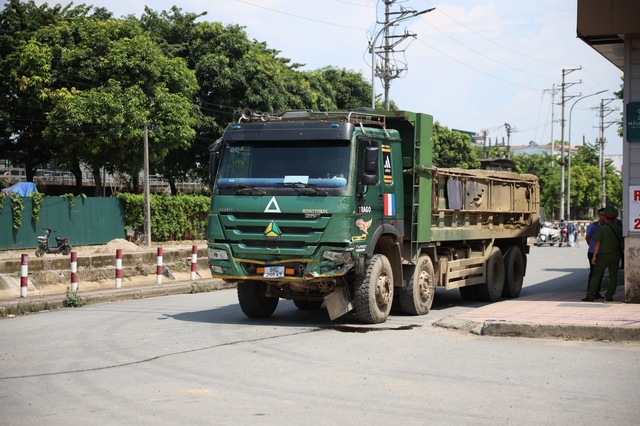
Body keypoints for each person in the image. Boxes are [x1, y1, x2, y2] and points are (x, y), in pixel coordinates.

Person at [583, 206, 623, 302]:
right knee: (613, 276)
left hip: (604, 256)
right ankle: (609, 296)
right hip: (616, 255)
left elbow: (597, 243)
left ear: (605, 217)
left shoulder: (603, 228)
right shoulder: (619, 228)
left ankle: (591, 295)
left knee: (596, 275)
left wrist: (594, 256)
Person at [584, 208, 605, 299]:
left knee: (601, 273)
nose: (603, 217)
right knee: (593, 273)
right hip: (593, 252)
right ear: (598, 215)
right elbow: (588, 237)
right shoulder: (594, 226)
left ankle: (597, 292)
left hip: (603, 253)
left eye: (604, 215)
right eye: (601, 215)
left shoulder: (608, 225)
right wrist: (592, 248)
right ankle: (590, 292)